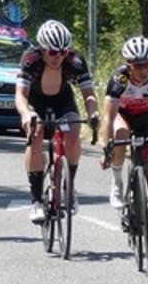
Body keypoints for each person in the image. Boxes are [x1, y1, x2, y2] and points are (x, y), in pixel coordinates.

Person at [15, 19, 99, 225]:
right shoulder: (30, 59)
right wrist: (26, 114)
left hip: (63, 101)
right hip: (36, 102)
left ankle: (69, 187)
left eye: (63, 52)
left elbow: (88, 94)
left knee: (73, 131)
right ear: (42, 49)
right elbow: (20, 95)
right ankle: (36, 199)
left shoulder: (75, 61)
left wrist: (93, 112)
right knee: (36, 134)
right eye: (53, 52)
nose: (58, 57)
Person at [100, 36, 148, 255]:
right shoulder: (119, 79)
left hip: (147, 118)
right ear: (128, 65)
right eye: (138, 66)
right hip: (124, 116)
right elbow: (108, 117)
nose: (143, 70)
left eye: (147, 64)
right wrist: (106, 147)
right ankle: (117, 181)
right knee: (120, 134)